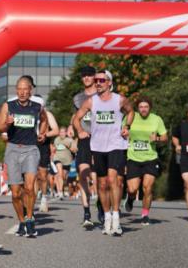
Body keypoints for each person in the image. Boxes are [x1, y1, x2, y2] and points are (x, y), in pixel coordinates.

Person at [73, 70, 133, 235]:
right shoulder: (91, 102)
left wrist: (126, 127)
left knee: (114, 180)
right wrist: (79, 131)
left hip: (116, 144)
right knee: (102, 184)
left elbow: (131, 112)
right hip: (98, 146)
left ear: (109, 83)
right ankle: (106, 217)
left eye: (101, 80)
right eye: (96, 80)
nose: (98, 82)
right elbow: (76, 119)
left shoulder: (119, 99)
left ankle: (116, 218)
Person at [0, 76, 48, 238]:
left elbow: (44, 120)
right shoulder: (8, 106)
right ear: (16, 90)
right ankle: (22, 220)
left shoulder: (37, 107)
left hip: (31, 149)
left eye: (26, 89)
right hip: (12, 150)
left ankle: (30, 218)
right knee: (16, 192)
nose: (22, 92)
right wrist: (7, 124)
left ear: (30, 91)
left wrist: (43, 133)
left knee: (29, 186)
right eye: (19, 89)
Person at [124, 97, 166, 225]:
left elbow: (165, 137)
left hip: (150, 158)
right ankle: (130, 198)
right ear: (137, 108)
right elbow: (122, 132)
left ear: (150, 108)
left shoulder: (156, 119)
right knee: (132, 189)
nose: (143, 109)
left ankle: (145, 214)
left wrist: (157, 138)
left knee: (147, 188)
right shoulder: (130, 117)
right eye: (141, 107)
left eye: (146, 107)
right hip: (133, 158)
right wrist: (124, 136)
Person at [72, 65, 102, 227]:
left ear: (94, 77)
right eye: (84, 76)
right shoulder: (77, 98)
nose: (86, 78)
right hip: (85, 138)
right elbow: (75, 116)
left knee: (98, 177)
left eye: (89, 75)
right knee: (83, 174)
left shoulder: (103, 96)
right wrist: (77, 129)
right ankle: (86, 213)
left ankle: (101, 205)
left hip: (101, 139)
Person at [52, 126, 76, 199]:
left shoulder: (69, 140)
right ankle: (60, 192)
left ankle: (63, 188)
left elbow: (74, 150)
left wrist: (68, 147)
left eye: (63, 132)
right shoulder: (56, 139)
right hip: (57, 158)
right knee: (59, 173)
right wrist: (53, 152)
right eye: (60, 132)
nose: (62, 133)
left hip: (67, 161)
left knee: (64, 177)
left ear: (66, 133)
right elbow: (54, 148)